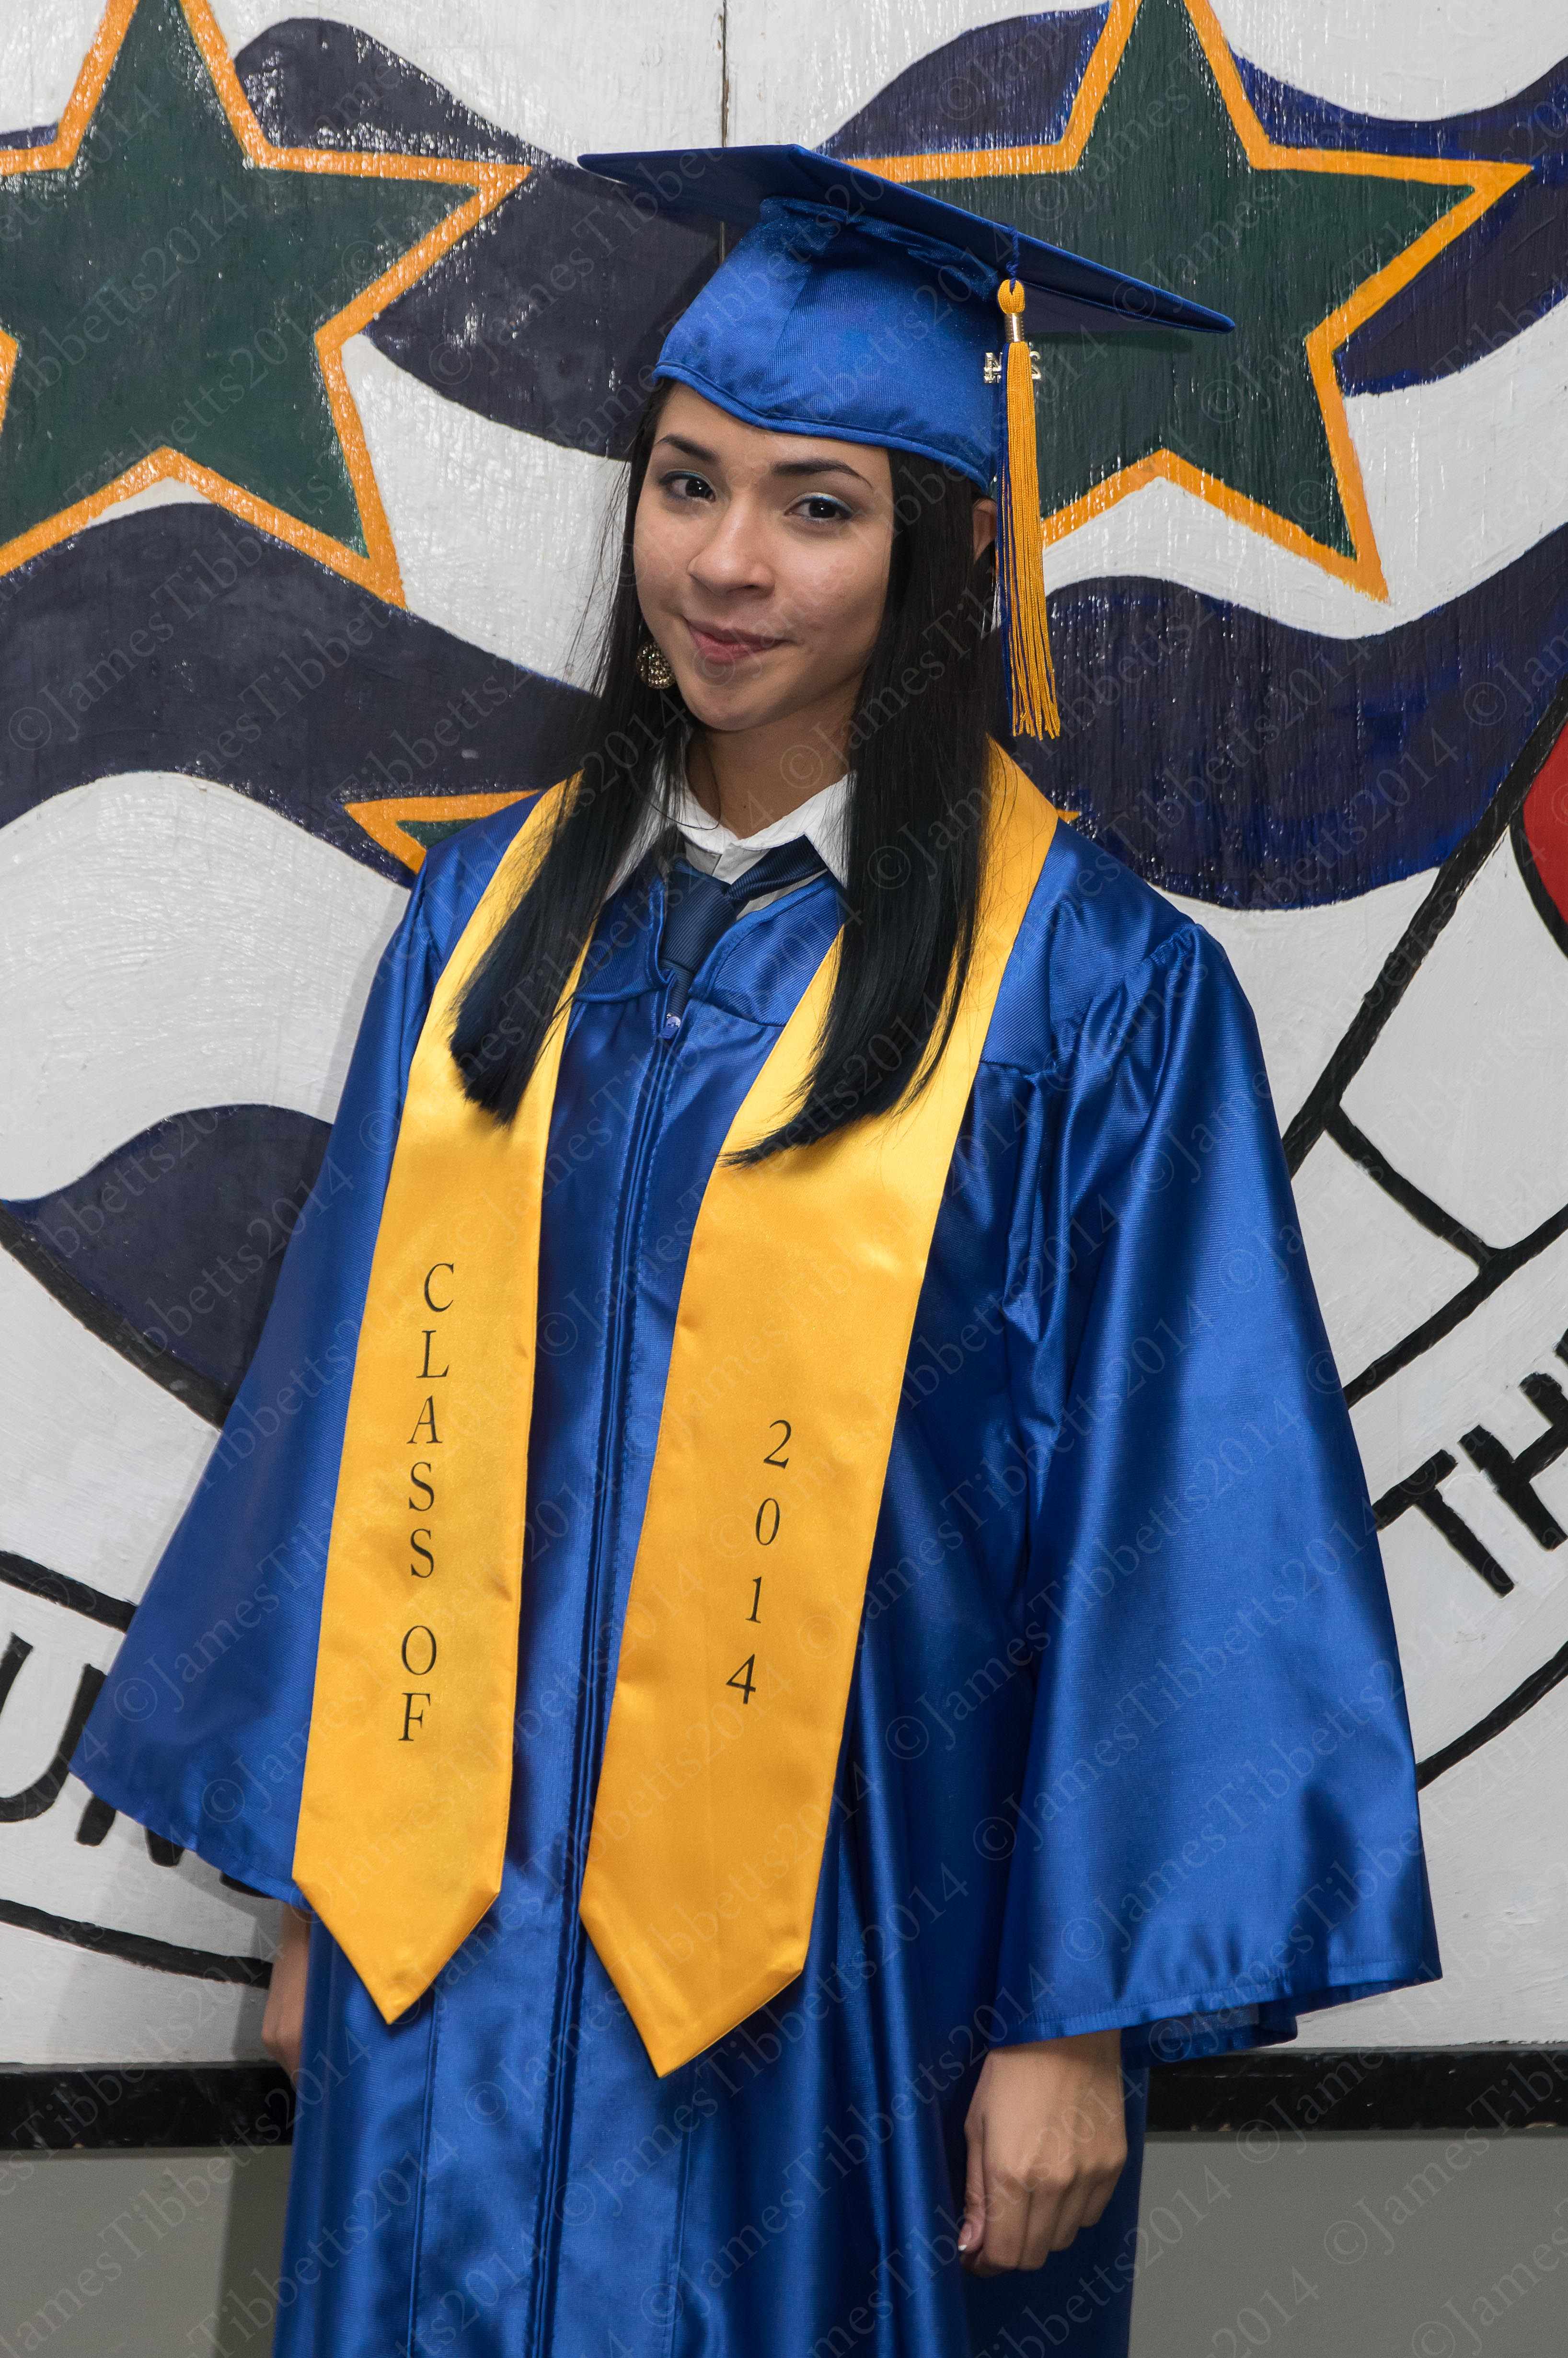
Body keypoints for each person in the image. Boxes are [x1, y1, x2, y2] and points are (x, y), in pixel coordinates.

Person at [73, 145, 1440, 2358]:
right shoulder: (489, 928)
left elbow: (1175, 1518)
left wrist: (1072, 2020)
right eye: (687, 485)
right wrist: (328, 1892)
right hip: (459, 1957)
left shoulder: (1085, 992)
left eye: (817, 507)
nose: (725, 563)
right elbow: (353, 1425)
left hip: (855, 1960)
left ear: (946, 551)